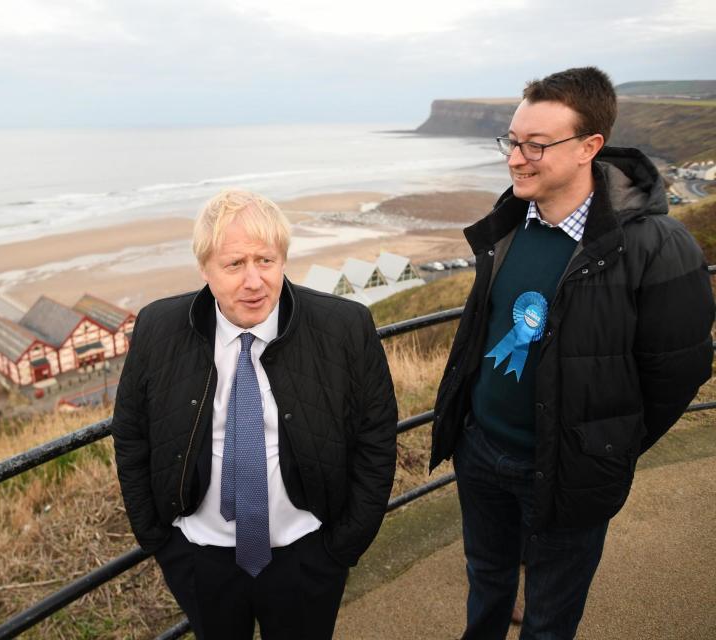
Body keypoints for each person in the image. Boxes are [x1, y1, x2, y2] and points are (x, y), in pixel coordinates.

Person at [430, 66, 714, 639]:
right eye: (512, 141)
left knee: (550, 616)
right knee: (487, 579)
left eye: (536, 145)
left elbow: (678, 370)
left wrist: (604, 446)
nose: (515, 158)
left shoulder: (658, 246)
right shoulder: (510, 218)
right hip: (481, 450)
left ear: (590, 146)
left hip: (567, 470)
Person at [111, 188, 399, 639]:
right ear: (204, 268)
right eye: (234, 265)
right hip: (200, 558)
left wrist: (341, 547)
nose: (254, 281)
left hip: (307, 556)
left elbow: (376, 439)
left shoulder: (346, 328)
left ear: (283, 259)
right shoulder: (157, 329)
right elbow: (131, 435)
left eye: (266, 261)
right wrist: (160, 541)